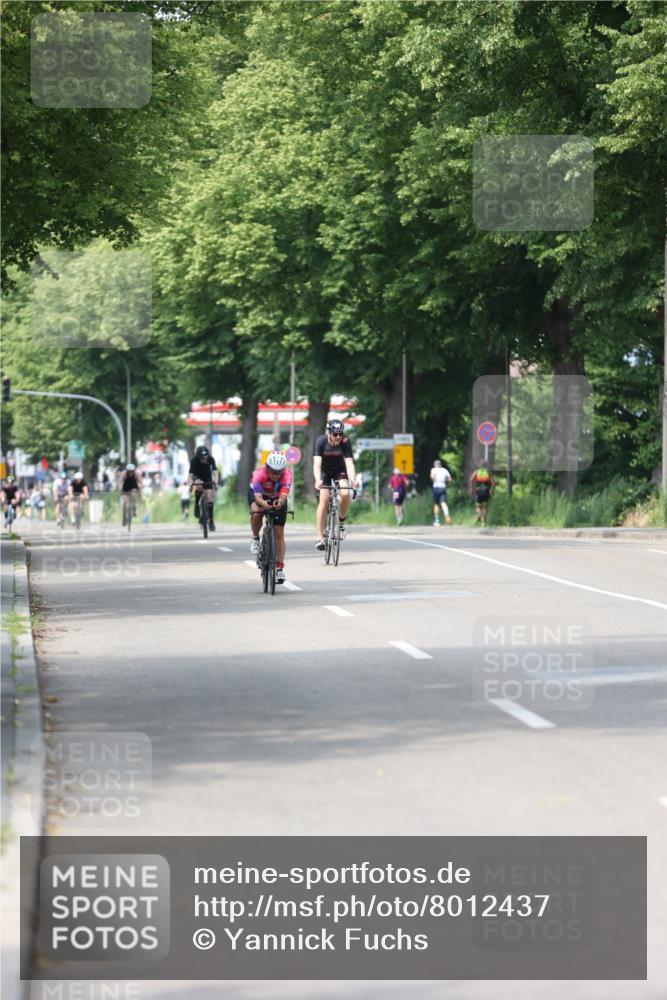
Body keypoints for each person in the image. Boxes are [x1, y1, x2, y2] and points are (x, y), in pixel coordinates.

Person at [313, 418, 358, 550]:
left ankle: (341, 523)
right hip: (324, 472)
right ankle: (320, 537)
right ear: (329, 433)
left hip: (340, 470)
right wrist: (317, 480)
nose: (338, 437)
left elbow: (349, 463)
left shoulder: (345, 441)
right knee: (324, 499)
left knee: (345, 493)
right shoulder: (320, 441)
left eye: (340, 434)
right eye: (335, 434)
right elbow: (316, 465)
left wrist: (353, 480)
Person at [248, 450, 293, 584]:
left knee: (279, 533)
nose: (275, 475)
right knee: (257, 512)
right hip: (260, 495)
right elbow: (258, 498)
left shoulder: (287, 475)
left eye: (278, 472)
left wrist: (279, 503)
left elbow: (284, 495)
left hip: (277, 497)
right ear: (267, 467)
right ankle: (255, 538)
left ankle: (280, 568)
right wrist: (264, 505)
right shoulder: (259, 474)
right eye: (273, 471)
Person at [186, 445, 219, 531]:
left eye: (205, 458)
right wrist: (189, 484)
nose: (204, 460)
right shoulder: (194, 461)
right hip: (197, 476)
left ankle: (211, 521)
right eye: (202, 458)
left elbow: (215, 472)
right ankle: (197, 503)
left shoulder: (211, 459)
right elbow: (190, 475)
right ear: (198, 457)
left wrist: (216, 481)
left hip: (207, 476)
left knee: (209, 497)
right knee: (199, 485)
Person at [469, 461, 495, 526]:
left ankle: (480, 515)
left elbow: (471, 480)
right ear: (486, 466)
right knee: (485, 507)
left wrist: (471, 489)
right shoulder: (488, 472)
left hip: (479, 491)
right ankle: (484, 523)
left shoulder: (477, 472)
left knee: (478, 506)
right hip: (486, 490)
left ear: (479, 466)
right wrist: (492, 490)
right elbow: (494, 483)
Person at [430, 459, 453, 525]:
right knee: (443, 503)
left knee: (436, 504)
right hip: (443, 487)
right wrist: (444, 480)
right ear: (440, 465)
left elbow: (432, 477)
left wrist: (434, 478)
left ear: (435, 465)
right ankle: (447, 515)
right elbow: (450, 479)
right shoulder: (444, 470)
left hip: (436, 488)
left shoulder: (433, 470)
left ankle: (437, 520)